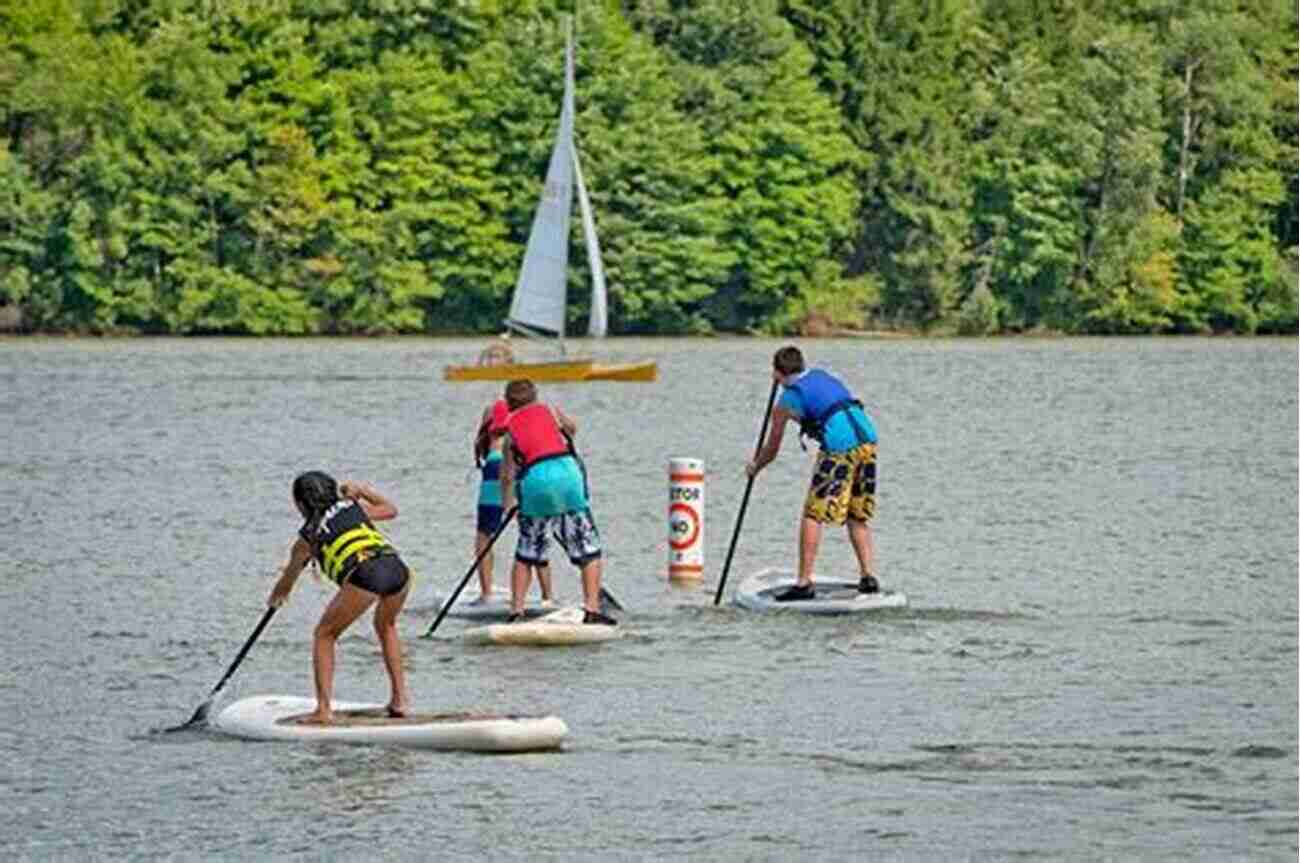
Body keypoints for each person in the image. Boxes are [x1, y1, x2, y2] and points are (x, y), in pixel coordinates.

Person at [268, 471, 412, 723]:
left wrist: (278, 595)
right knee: (386, 626)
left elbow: (288, 579)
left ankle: (323, 710)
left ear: (300, 504)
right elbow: (390, 509)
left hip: (366, 573)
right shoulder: (353, 507)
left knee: (324, 635)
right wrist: (362, 489)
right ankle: (400, 700)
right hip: (398, 569)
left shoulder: (307, 537)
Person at [745, 346, 881, 601]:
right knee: (856, 512)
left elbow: (772, 449)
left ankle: (804, 582)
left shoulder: (786, 401)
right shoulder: (821, 375)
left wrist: (755, 467)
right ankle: (868, 577)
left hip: (839, 447)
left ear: (777, 374)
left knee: (812, 514)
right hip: (868, 439)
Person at [497, 379, 616, 625]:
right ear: (535, 397)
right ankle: (592, 608)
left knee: (526, 554)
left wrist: (507, 506)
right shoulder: (551, 411)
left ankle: (516, 611)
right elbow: (572, 429)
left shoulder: (510, 430)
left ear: (508, 404)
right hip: (568, 478)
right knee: (588, 550)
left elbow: (508, 475)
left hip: (535, 484)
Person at [472, 399, 554, 606]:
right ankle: (547, 596)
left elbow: (482, 437)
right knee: (534, 538)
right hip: (519, 473)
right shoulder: (525, 416)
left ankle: (486, 592)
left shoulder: (492, 410)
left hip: (494, 472)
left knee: (484, 537)